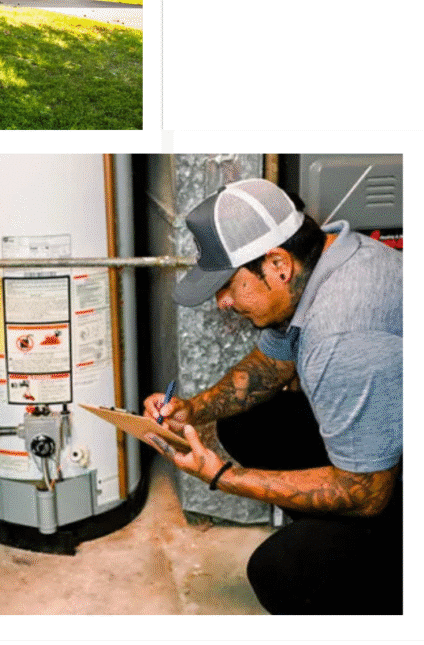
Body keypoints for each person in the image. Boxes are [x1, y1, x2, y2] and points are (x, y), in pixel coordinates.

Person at [142, 178, 402, 615]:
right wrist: (191, 409)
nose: (222, 302)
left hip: (388, 480)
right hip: (393, 440)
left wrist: (223, 476)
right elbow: (270, 368)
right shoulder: (328, 260)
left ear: (278, 263)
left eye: (228, 285)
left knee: (284, 571)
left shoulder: (342, 334)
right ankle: (338, 536)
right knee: (247, 423)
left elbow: (369, 492)